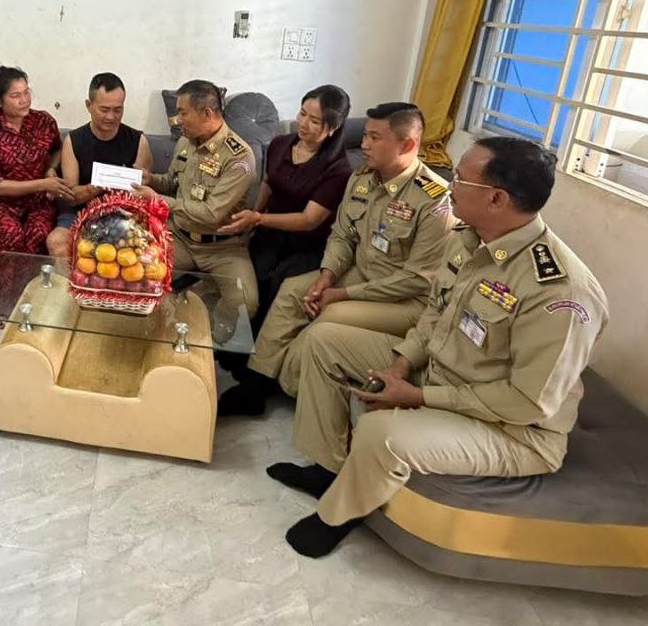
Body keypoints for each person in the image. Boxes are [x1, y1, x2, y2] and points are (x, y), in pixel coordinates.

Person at [265, 136, 608, 558]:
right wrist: (400, 364)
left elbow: (526, 403)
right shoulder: (469, 240)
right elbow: (435, 314)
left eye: (460, 179)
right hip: (443, 374)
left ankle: (336, 516)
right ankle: (327, 468)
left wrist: (418, 396)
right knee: (324, 340)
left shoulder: (560, 293)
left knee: (380, 432)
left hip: (512, 430)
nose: (449, 186)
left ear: (497, 199)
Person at [219, 102, 452, 416]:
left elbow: (415, 280)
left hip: (404, 300)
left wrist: (342, 294)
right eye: (364, 135)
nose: (364, 144)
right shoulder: (362, 178)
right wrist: (326, 276)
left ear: (407, 145)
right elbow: (342, 235)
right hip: (361, 274)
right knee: (292, 291)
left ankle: (290, 383)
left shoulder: (435, 201)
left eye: (374, 138)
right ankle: (257, 382)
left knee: (326, 318)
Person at [217, 85, 353, 320]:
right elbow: (268, 183)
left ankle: (261, 340)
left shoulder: (338, 170)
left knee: (278, 285)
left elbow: (309, 220)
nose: (303, 123)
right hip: (269, 234)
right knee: (251, 280)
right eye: (302, 113)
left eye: (314, 121)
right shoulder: (280, 144)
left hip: (307, 245)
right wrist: (253, 216)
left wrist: (258, 218)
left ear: (333, 128)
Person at [133, 79, 259, 319]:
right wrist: (151, 179)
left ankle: (211, 334)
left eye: (183, 113)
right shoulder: (185, 142)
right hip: (180, 236)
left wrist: (158, 200)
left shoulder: (239, 157)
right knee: (136, 270)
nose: (177, 120)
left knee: (245, 303)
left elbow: (211, 213)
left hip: (222, 247)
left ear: (207, 113)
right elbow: (172, 182)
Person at [0, 65, 72, 264]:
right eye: (15, 96)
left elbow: (57, 149)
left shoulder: (44, 121)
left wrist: (51, 169)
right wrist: (43, 184)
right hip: (0, 203)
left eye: (26, 92)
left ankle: (30, 284)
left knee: (39, 234)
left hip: (37, 202)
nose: (24, 100)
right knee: (11, 234)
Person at [46, 72, 153, 260]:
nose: (111, 116)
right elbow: (70, 197)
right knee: (57, 242)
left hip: (124, 213)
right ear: (89, 105)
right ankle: (68, 281)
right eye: (104, 110)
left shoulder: (138, 141)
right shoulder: (74, 141)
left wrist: (124, 194)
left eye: (118, 110)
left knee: (142, 248)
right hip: (81, 210)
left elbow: (144, 194)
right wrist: (94, 188)